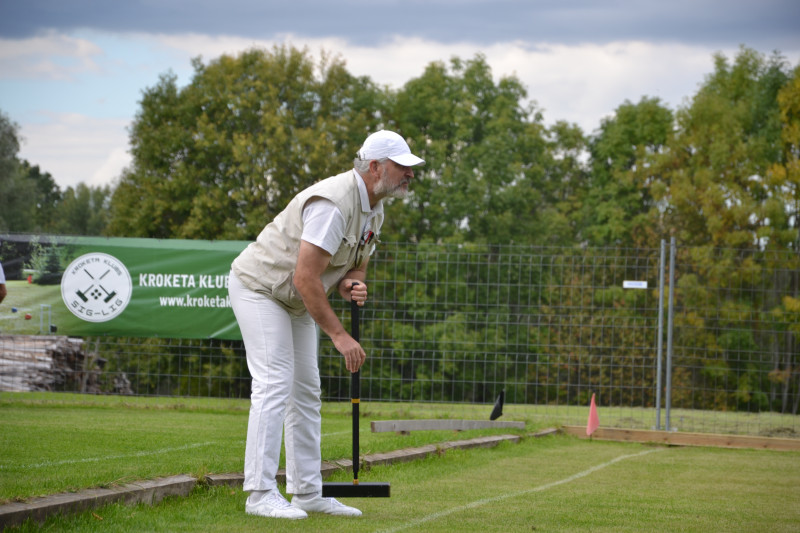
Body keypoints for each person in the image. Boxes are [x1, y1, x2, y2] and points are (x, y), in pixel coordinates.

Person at [228, 130, 424, 520]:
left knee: (306, 391)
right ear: (375, 167)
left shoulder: (376, 208)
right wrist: (340, 335)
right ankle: (260, 493)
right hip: (260, 289)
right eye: (402, 167)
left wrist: (353, 283)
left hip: (296, 301)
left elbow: (355, 266)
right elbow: (305, 277)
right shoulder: (333, 204)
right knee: (274, 382)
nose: (410, 175)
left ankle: (306, 492)